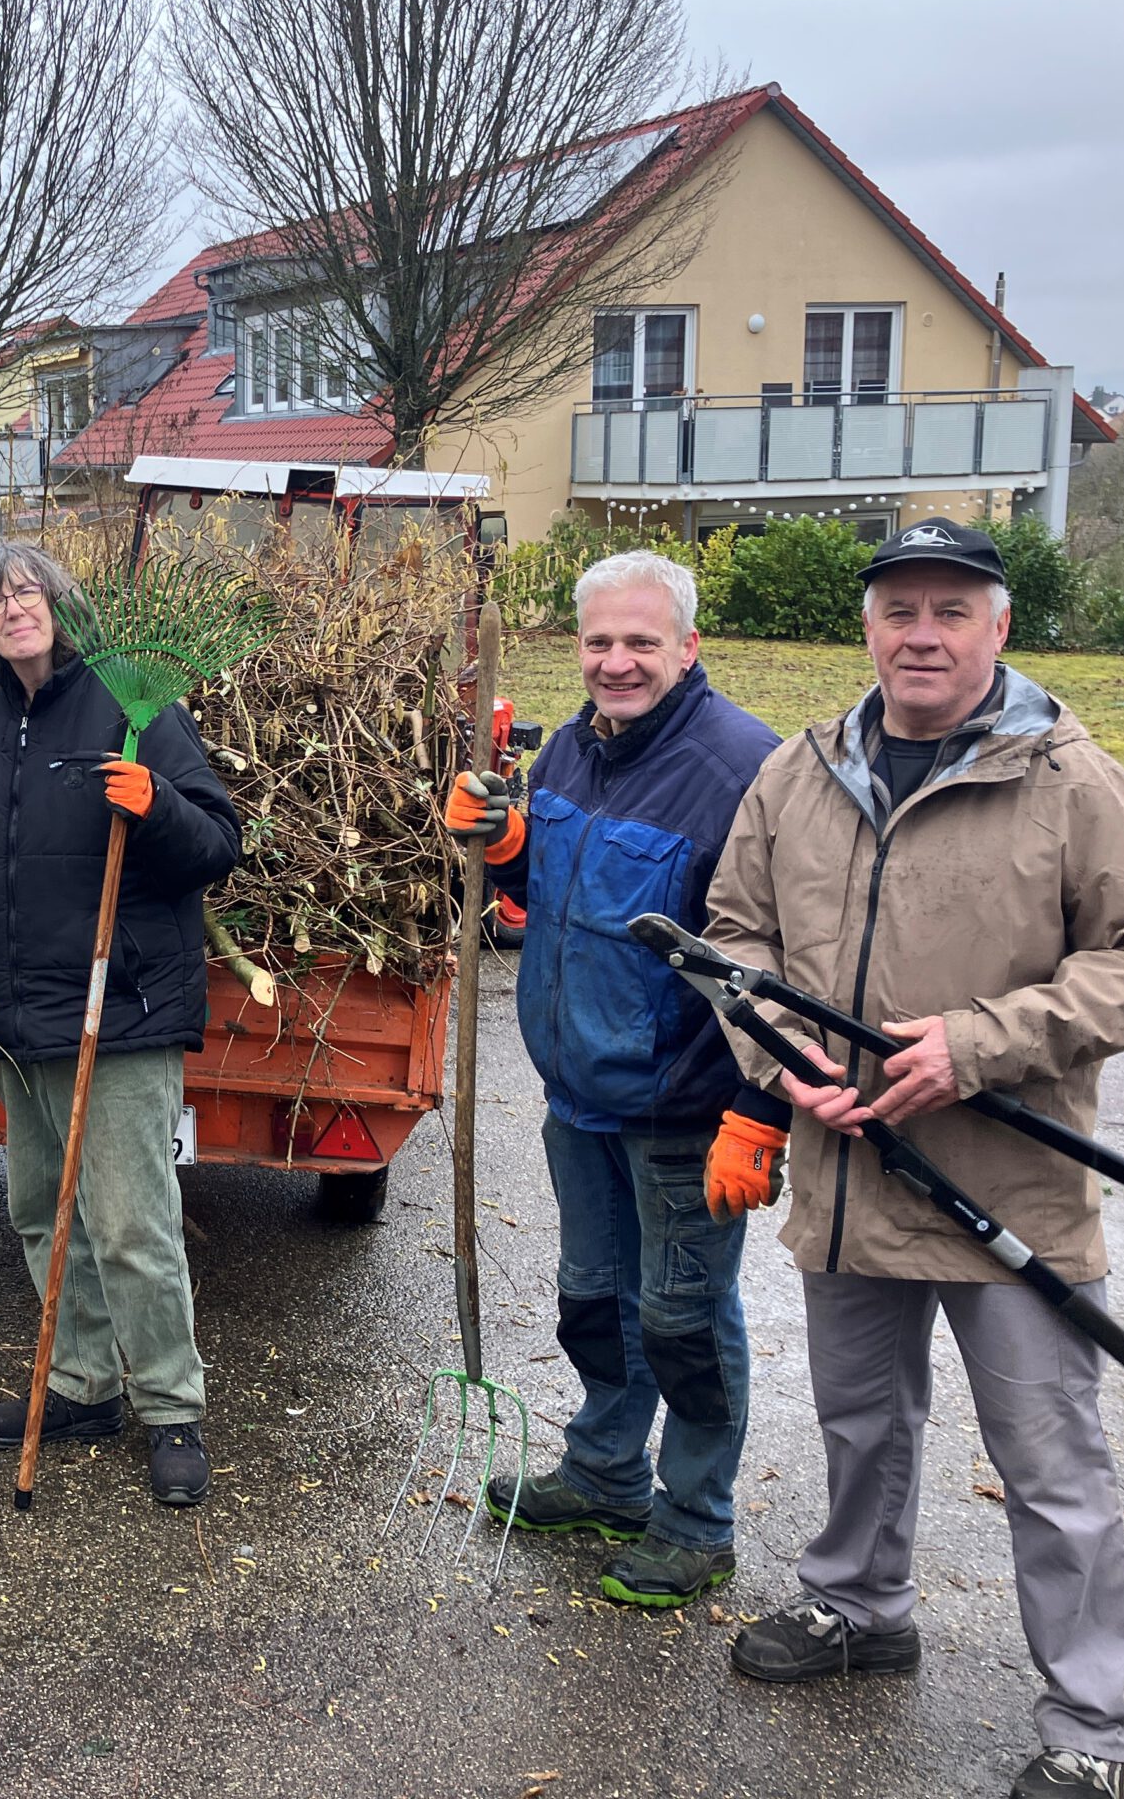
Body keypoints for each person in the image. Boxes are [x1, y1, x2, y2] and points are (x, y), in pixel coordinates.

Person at [705, 520, 1124, 1799]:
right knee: (859, 1421)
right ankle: (858, 1606)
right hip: (849, 1171)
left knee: (1050, 1463)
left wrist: (980, 1044)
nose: (920, 635)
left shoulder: (1071, 780)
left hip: (1008, 1186)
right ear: (866, 626)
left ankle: (1092, 1730)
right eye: (897, 611)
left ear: (996, 628)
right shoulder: (801, 772)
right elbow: (733, 935)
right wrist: (779, 1063)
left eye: (949, 611)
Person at [446, 549, 782, 1607]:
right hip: (578, 1091)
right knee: (596, 1302)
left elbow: (779, 966)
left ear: (688, 647)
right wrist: (503, 847)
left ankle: (694, 1523)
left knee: (682, 1322)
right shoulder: (578, 753)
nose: (616, 661)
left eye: (641, 641)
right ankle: (601, 1474)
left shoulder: (744, 772)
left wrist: (758, 1109)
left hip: (684, 1108)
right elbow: (549, 892)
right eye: (598, 641)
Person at [0, 541, 240, 1509]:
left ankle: (171, 1407)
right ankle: (82, 1387)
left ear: (61, 605)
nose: (13, 609)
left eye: (29, 592)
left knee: (129, 1225)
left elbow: (215, 844)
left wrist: (156, 809)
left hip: (120, 1011)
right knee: (35, 1212)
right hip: (13, 1017)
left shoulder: (129, 704)